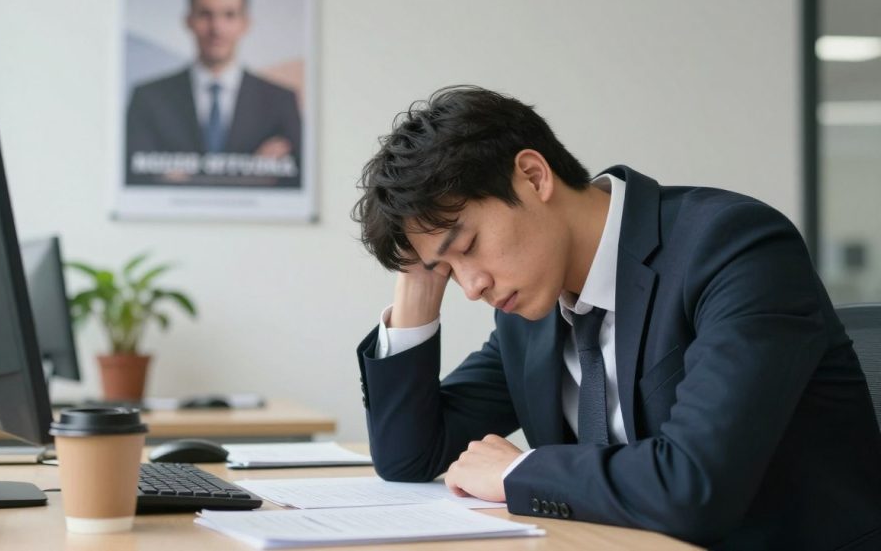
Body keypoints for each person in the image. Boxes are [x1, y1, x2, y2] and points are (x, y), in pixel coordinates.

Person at [351, 86, 881, 550]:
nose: (470, 288)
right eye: (448, 269)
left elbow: (695, 488)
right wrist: (419, 273)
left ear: (534, 177)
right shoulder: (530, 305)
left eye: (468, 246)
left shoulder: (734, 247)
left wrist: (518, 471)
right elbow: (410, 456)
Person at [125, 0, 302, 187]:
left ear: (244, 23)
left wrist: (183, 177)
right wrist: (251, 173)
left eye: (229, 15)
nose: (216, 28)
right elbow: (135, 179)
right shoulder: (149, 98)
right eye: (205, 14)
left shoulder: (280, 101)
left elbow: (296, 182)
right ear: (189, 21)